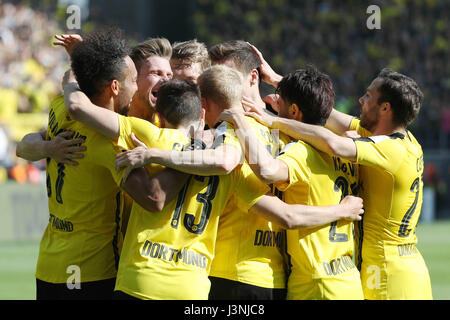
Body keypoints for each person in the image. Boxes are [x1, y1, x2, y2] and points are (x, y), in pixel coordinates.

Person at [66, 64, 364, 300]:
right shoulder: (327, 147)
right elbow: (353, 130)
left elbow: (80, 109)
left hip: (207, 277)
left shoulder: (169, 138)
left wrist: (73, 74)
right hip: (275, 279)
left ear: (204, 105)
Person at [246, 51, 432, 300]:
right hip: (403, 266)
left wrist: (272, 121)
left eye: (368, 96)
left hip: (387, 270)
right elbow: (329, 117)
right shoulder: (404, 141)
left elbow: (333, 144)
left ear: (385, 108)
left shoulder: (388, 149)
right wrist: (282, 82)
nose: (360, 100)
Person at [15, 29, 182, 300]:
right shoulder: (109, 140)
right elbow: (154, 198)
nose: (137, 87)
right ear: (115, 86)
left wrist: (48, 147)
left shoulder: (60, 109)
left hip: (49, 265)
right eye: (132, 80)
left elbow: (24, 145)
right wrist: (188, 160)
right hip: (92, 272)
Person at [219, 66, 364, 300]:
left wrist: (241, 123)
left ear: (295, 110)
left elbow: (266, 170)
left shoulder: (301, 152)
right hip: (348, 281)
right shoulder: (347, 151)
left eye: (282, 103)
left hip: (315, 285)